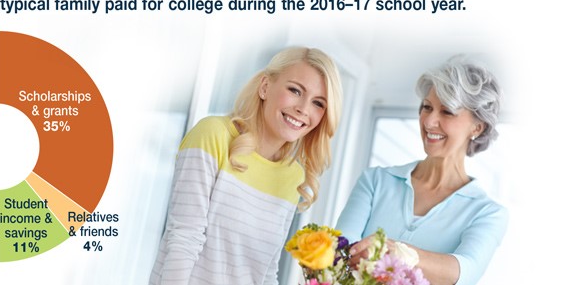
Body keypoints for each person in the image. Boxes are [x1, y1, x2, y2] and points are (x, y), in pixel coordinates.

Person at [149, 47, 343, 285]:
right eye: (295, 90)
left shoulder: (293, 176)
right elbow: (183, 239)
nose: (303, 109)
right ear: (265, 87)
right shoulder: (213, 135)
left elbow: (266, 270)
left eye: (318, 103)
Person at [336, 55, 508, 285]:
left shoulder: (487, 213)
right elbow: (339, 252)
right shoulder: (375, 181)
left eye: (447, 111)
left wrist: (397, 253)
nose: (429, 122)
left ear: (477, 127)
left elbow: (464, 272)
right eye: (427, 107)